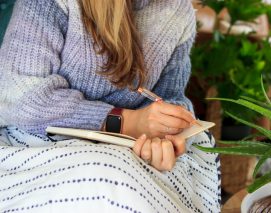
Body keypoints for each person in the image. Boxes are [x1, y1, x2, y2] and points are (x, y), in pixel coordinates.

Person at [0, 0, 221, 212]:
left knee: (199, 148)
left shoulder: (178, 10)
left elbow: (170, 96)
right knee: (112, 182)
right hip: (40, 141)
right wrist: (128, 122)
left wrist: (168, 137)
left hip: (130, 147)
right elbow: (18, 98)